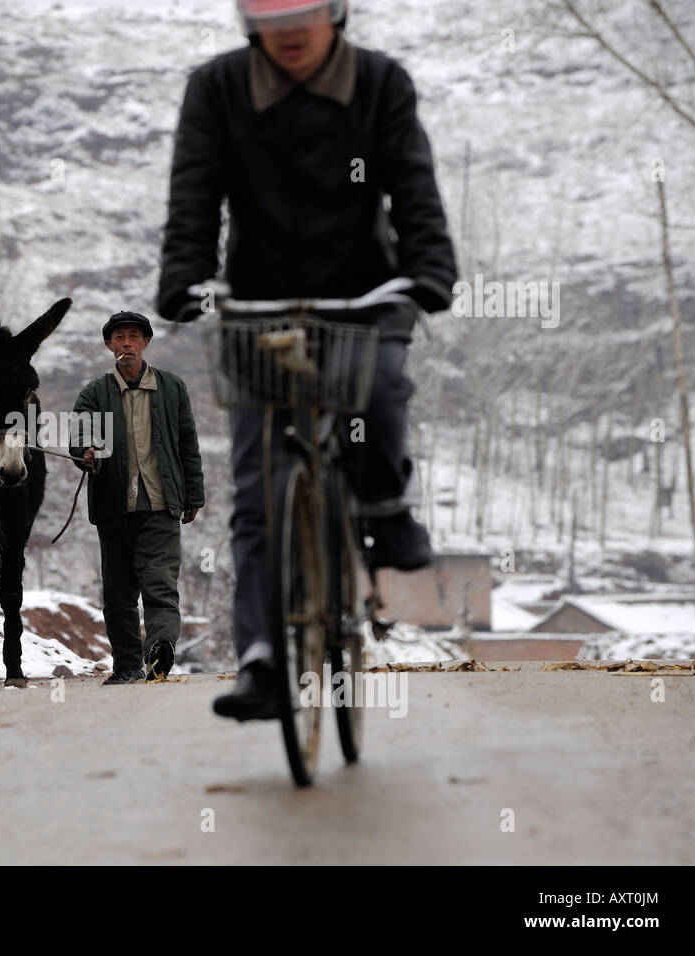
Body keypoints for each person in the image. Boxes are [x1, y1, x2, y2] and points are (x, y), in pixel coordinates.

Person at [155, 0, 458, 718]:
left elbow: (413, 187)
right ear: (247, 19)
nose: (287, 26)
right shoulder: (217, 88)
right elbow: (194, 194)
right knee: (260, 487)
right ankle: (262, 659)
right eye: (269, 10)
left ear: (337, 12)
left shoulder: (381, 83)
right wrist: (184, 278)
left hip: (366, 295)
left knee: (380, 388)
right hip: (260, 307)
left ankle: (386, 509)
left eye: (304, 9)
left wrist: (428, 269)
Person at [70, 311, 206, 684]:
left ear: (145, 343)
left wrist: (194, 493)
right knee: (118, 593)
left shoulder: (172, 387)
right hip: (114, 507)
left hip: (161, 503)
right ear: (109, 345)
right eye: (119, 338)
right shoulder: (94, 392)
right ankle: (127, 665)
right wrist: (84, 451)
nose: (126, 343)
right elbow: (78, 434)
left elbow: (188, 445)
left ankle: (159, 651)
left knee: (160, 583)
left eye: (133, 336)